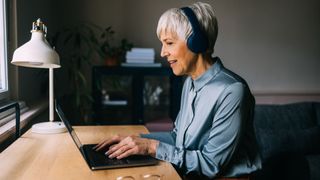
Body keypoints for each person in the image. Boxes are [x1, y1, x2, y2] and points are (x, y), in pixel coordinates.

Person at [94, 2, 261, 179]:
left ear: (196, 43)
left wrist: (152, 147)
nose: (162, 53)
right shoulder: (189, 82)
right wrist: (135, 139)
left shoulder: (232, 91)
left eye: (169, 43)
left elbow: (211, 164)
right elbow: (177, 138)